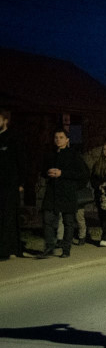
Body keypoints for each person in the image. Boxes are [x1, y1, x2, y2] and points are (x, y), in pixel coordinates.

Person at [37, 129, 88, 259]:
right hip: (52, 192)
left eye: (61, 137)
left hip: (67, 192)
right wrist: (47, 172)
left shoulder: (74, 154)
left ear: (67, 140)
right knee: (47, 218)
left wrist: (63, 174)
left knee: (68, 222)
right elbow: (42, 170)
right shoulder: (50, 154)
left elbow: (83, 174)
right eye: (56, 137)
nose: (58, 140)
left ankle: (66, 248)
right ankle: (49, 246)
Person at [0, 109, 26, 260]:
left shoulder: (13, 138)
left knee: (9, 216)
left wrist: (21, 182)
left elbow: (21, 161)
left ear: (5, 120)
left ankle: (8, 249)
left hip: (11, 184)